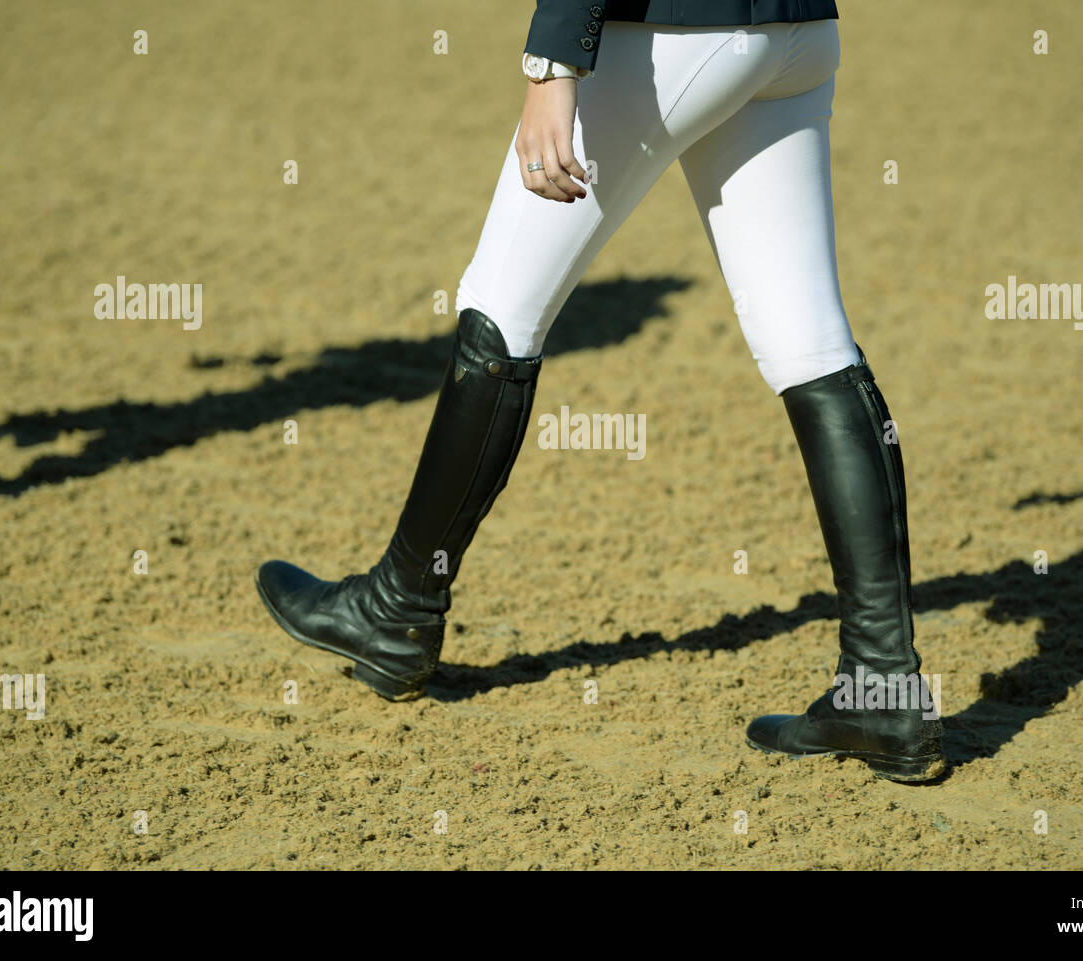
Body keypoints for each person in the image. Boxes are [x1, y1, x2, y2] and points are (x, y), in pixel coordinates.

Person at [255, 1, 946, 782]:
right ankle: (883, 684)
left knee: (502, 308)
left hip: (671, 32)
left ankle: (397, 610)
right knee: (809, 341)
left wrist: (554, 58)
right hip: (794, 33)